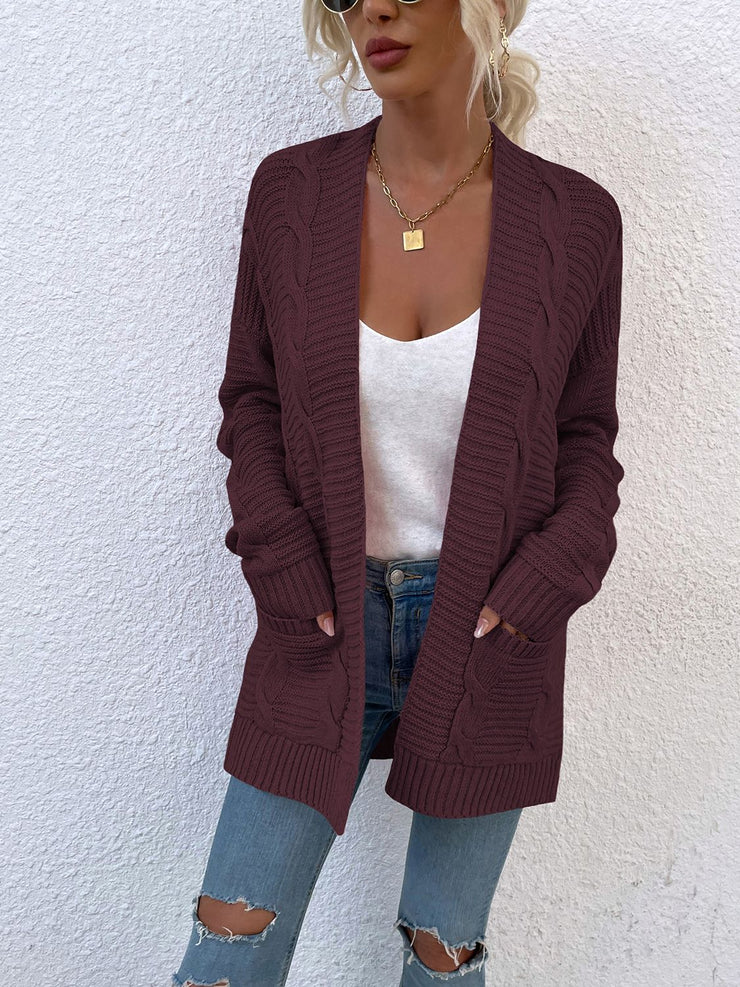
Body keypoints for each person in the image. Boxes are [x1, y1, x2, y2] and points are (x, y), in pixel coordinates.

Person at [172, 0, 625, 983]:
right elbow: (252, 399)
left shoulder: (575, 219)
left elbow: (585, 436)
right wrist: (279, 558)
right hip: (317, 624)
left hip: (491, 633)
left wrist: (550, 576)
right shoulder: (291, 194)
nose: (373, 8)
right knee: (226, 952)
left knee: (441, 961)